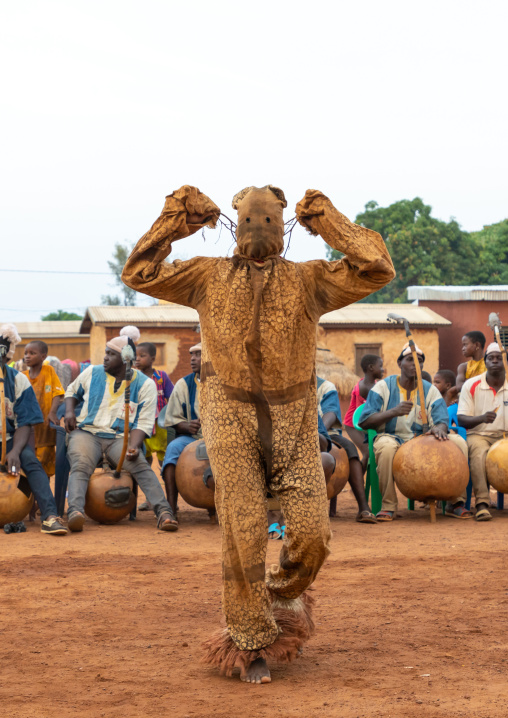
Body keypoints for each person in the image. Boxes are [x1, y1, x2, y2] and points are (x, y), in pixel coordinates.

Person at [121, 184, 395, 684]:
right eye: (250, 221)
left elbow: (378, 267)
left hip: (293, 417)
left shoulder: (311, 280)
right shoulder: (206, 275)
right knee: (244, 532)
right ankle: (249, 642)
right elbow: (138, 272)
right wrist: (178, 220)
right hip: (229, 413)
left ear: (284, 230)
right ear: (235, 226)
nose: (259, 230)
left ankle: (283, 592)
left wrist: (328, 220)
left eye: (268, 222)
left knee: (313, 534)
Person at [63, 327, 177, 533]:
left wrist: (133, 446)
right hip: (87, 433)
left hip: (120, 438)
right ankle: (75, 512)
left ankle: (164, 513)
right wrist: (70, 411)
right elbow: (71, 391)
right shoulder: (92, 372)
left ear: (126, 359)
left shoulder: (145, 385)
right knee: (81, 464)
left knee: (141, 466)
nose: (105, 358)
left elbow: (143, 423)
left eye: (111, 354)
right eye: (106, 352)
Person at [359, 342, 468, 521]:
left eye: (419, 361)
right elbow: (364, 420)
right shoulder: (383, 387)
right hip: (392, 437)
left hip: (424, 440)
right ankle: (389, 506)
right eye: (410, 360)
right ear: (399, 363)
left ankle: (455, 502)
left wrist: (439, 428)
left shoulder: (430, 390)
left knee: (460, 443)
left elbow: (441, 419)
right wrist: (393, 411)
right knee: (385, 448)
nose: (415, 364)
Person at [0, 324, 67, 535]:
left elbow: (25, 424)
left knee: (33, 464)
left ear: (7, 357)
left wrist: (15, 451)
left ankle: (49, 516)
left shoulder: (18, 380)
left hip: (10, 438)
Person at [455, 343, 508, 521]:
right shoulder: (471, 384)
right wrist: (481, 418)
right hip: (479, 435)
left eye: (498, 358)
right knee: (478, 454)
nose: (494, 361)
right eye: (490, 358)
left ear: (504, 361)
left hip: (505, 437)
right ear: (485, 362)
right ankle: (482, 504)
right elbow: (462, 419)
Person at [317, 376, 377, 523]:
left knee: (350, 449)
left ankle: (363, 507)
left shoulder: (325, 386)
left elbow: (331, 412)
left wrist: (318, 431)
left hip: (325, 433)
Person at [161, 343, 202, 516]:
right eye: (191, 354)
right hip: (191, 438)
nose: (193, 358)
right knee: (172, 449)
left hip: (222, 439)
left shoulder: (225, 383)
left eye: (198, 354)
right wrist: (186, 426)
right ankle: (171, 508)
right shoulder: (183, 384)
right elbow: (172, 419)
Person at [22, 341, 65, 478]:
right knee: (28, 466)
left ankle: (41, 497)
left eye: (32, 353)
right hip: (28, 430)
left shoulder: (49, 371)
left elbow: (57, 393)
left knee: (43, 468)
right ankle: (31, 498)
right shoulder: (22, 376)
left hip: (45, 429)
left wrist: (52, 413)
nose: (27, 356)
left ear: (43, 356)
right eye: (25, 353)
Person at [135, 342, 174, 466]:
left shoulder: (161, 377)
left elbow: (172, 398)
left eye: (142, 356)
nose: (137, 359)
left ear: (152, 359)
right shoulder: (134, 378)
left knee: (164, 455)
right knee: (144, 456)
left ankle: (165, 477)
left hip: (160, 424)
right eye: (135, 356)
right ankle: (148, 479)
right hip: (141, 424)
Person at [343, 354, 384, 462]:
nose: (383, 369)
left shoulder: (374, 384)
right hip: (353, 425)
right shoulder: (364, 388)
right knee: (367, 453)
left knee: (374, 452)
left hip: (364, 423)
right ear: (371, 368)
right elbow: (360, 415)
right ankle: (359, 479)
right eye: (380, 366)